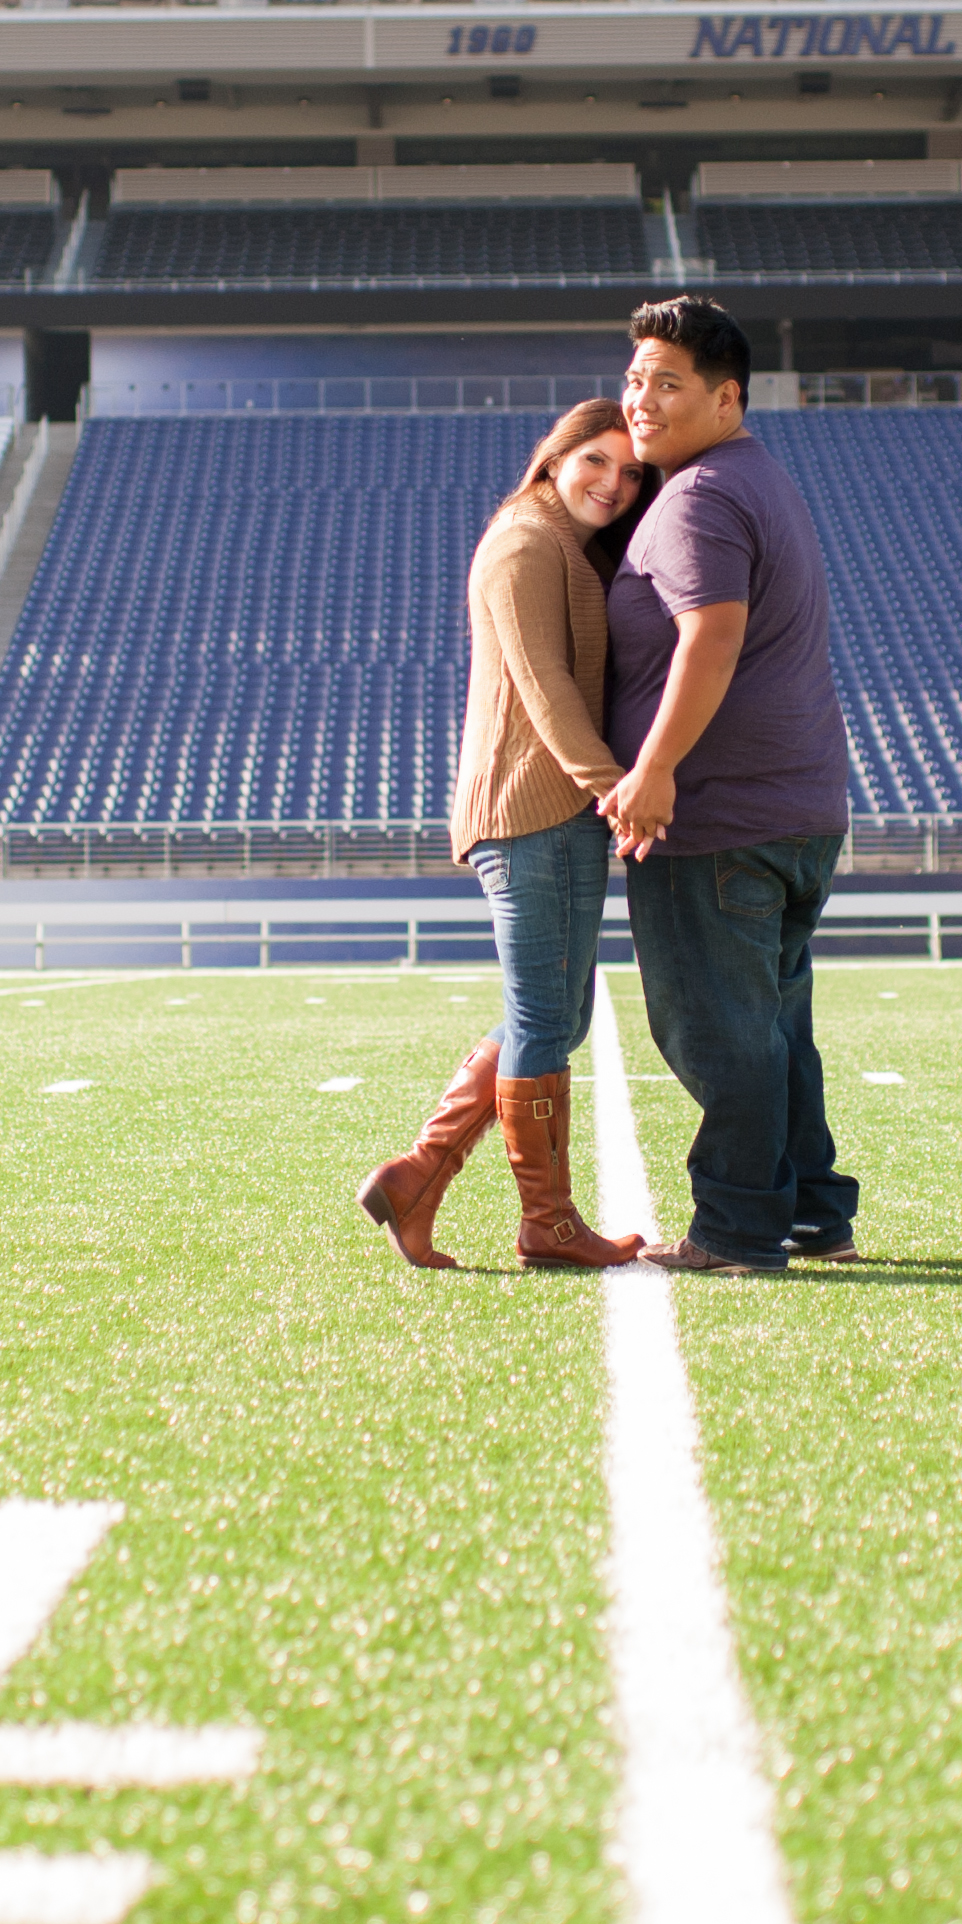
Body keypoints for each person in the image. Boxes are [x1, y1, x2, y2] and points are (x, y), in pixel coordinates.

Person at [356, 399, 653, 1272]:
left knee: (548, 1012)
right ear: (555, 457)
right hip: (535, 806)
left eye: (630, 472)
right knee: (542, 1015)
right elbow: (544, 687)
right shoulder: (526, 541)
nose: (615, 481)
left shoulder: (557, 541)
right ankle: (547, 1223)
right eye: (597, 461)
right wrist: (616, 793)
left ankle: (419, 1176)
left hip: (543, 807)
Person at [601, 295, 856, 1274]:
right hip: (794, 806)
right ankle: (811, 1210)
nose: (641, 400)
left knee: (714, 1028)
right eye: (633, 379)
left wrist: (655, 766)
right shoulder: (755, 480)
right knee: (774, 1023)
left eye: (667, 383)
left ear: (725, 396)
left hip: (719, 815)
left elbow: (710, 634)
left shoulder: (700, 496)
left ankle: (741, 1225)